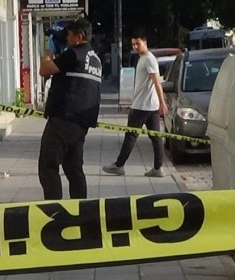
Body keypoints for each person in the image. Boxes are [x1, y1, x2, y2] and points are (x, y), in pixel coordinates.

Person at [37, 18, 102, 200]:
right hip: (81, 122)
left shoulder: (74, 54)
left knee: (48, 165)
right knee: (73, 168)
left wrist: (50, 51)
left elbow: (44, 70)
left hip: (64, 118)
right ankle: (80, 209)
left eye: (69, 35)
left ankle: (54, 210)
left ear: (79, 37)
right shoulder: (95, 59)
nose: (66, 39)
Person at [102, 32, 169, 177]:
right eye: (133, 44)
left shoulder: (149, 59)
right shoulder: (143, 59)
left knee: (131, 136)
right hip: (149, 105)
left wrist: (162, 102)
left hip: (142, 106)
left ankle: (119, 165)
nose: (135, 47)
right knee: (155, 137)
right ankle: (158, 168)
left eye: (138, 43)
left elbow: (157, 82)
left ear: (145, 42)